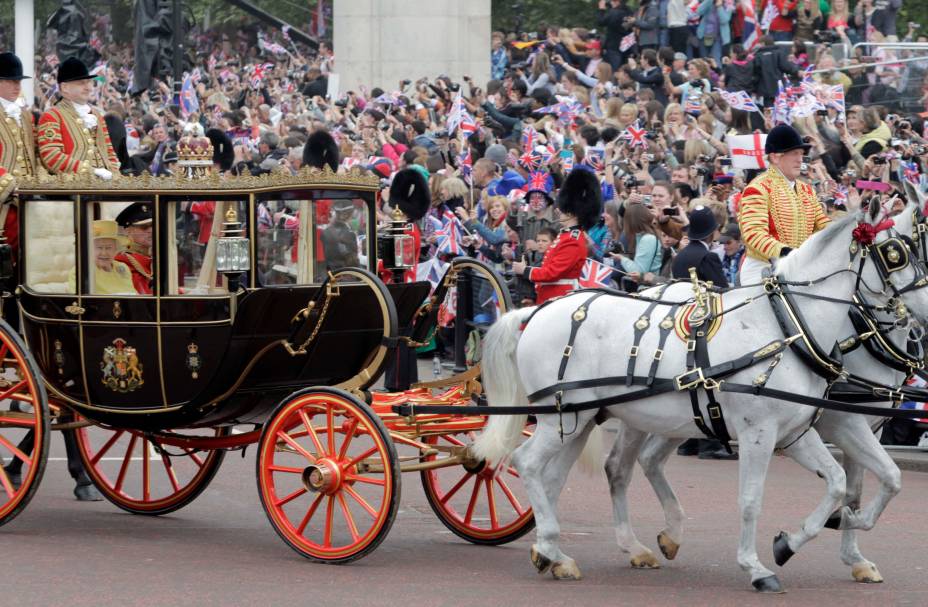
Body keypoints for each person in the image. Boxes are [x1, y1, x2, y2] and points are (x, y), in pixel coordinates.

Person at [672, 205, 733, 460]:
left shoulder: (682, 255)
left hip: (682, 324)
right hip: (706, 325)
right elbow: (722, 291)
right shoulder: (708, 257)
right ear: (712, 232)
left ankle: (690, 441)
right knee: (711, 383)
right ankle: (711, 443)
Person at [737, 124, 830, 285]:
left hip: (799, 268)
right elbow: (753, 233)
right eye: (794, 153)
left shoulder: (807, 190)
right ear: (775, 157)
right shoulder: (757, 188)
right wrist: (785, 252)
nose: (800, 159)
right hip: (763, 268)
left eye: (801, 154)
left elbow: (822, 226)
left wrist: (848, 231)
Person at [512, 170, 601, 304]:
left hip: (559, 298)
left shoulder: (573, 240)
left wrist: (525, 270)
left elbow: (552, 273)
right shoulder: (565, 235)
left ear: (572, 213)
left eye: (563, 209)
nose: (558, 210)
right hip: (550, 295)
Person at [37, 57, 119, 178]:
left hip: (105, 186)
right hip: (73, 188)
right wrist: (91, 171)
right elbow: (51, 156)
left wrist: (115, 174)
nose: (88, 87)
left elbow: (109, 151)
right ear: (65, 87)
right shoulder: (52, 116)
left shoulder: (96, 114)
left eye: (89, 82)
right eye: (81, 83)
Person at [114, 202, 153, 294]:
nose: (151, 230)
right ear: (128, 231)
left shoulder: (155, 256)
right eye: (144, 227)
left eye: (153, 225)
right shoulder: (122, 261)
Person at [320, 200, 360, 271]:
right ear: (348, 215)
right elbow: (352, 261)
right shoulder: (349, 234)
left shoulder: (326, 231)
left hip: (329, 271)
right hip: (344, 272)